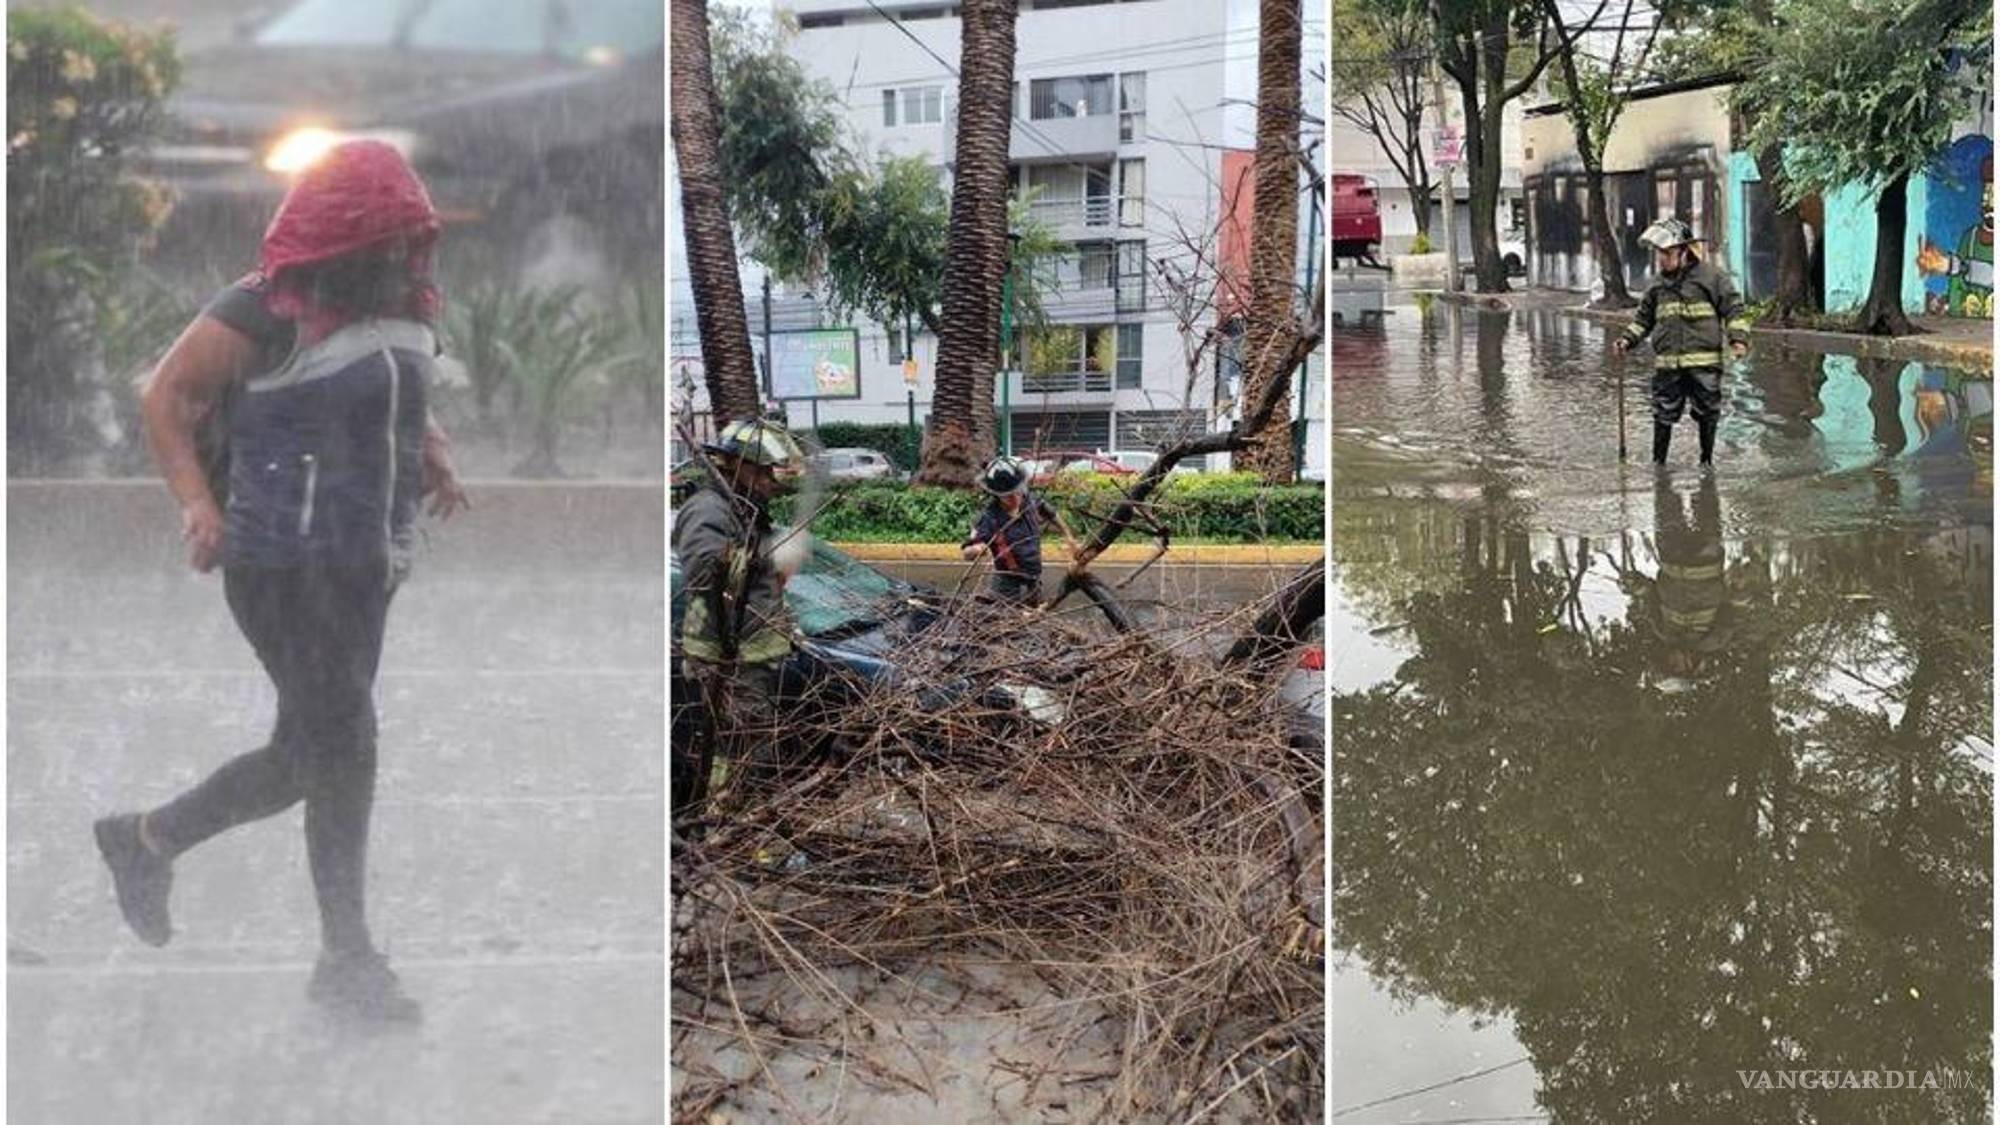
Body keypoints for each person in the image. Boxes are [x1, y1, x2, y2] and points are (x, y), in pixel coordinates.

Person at [93, 140, 468, 1024]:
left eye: (408, 230)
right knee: (347, 747)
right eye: (384, 229)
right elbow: (166, 396)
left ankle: (148, 837)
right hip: (282, 564)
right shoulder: (268, 305)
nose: (400, 246)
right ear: (340, 227)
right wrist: (197, 505)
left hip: (370, 564)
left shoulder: (408, 309)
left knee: (313, 753)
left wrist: (436, 452)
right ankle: (347, 958)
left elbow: (402, 395)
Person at [674, 416, 804, 802]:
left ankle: (734, 823)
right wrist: (769, 555)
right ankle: (723, 830)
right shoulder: (708, 510)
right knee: (737, 754)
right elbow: (702, 574)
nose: (769, 481)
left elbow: (753, 587)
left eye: (771, 472)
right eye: (762, 471)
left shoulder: (743, 509)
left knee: (750, 748)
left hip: (749, 657)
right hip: (725, 662)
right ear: (735, 464)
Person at [1614, 218, 1752, 467]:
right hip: (1668, 366)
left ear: (1685, 252)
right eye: (1660, 254)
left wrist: (1738, 340)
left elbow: (1734, 310)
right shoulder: (1657, 285)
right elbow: (1643, 320)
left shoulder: (1712, 277)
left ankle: (1706, 461)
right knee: (1662, 413)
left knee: (1708, 413)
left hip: (1704, 364)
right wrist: (1627, 339)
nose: (1662, 259)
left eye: (1667, 253)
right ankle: (1659, 465)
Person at [960, 456, 1075, 605]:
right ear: (996, 494)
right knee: (1005, 623)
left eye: (1018, 491)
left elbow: (1051, 514)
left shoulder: (1029, 500)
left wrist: (1068, 536)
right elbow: (968, 551)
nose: (1015, 498)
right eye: (1008, 496)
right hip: (1006, 587)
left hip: (1033, 581)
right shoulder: (990, 518)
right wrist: (976, 549)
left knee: (1034, 621)